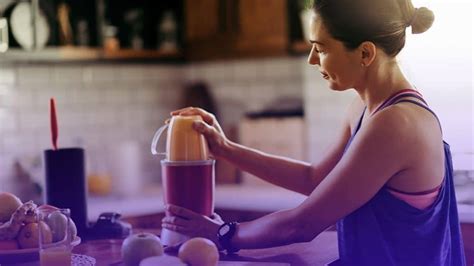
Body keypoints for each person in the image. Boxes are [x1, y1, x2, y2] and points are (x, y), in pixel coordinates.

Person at [162, 0, 466, 264]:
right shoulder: (365, 110)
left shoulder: (396, 123)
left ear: (365, 53)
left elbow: (304, 224)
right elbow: (316, 180)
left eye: (320, 48)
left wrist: (222, 233)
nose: (312, 59)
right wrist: (226, 148)